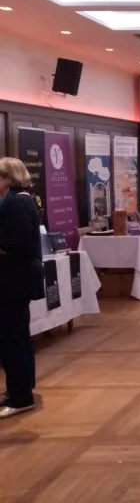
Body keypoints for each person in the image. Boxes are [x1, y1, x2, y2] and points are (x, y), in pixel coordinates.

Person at [0, 157, 42, 418]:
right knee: (18, 337)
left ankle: (21, 396)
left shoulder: (16, 204)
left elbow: (12, 245)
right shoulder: (22, 201)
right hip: (14, 281)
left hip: (12, 283)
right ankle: (21, 387)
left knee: (10, 339)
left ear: (8, 178)